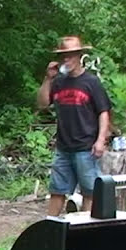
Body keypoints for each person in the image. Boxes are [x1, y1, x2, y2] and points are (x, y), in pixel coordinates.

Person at [35, 35, 112, 217]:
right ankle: (50, 224)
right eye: (63, 56)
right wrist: (48, 79)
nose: (66, 59)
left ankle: (85, 227)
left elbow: (103, 112)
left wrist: (101, 140)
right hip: (63, 146)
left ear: (79, 56)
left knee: (90, 191)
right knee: (57, 189)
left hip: (86, 147)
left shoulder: (91, 82)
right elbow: (42, 104)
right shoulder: (58, 82)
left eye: (70, 55)